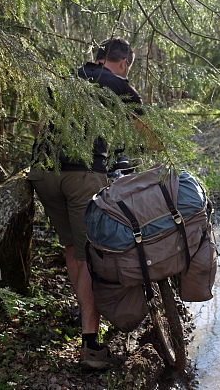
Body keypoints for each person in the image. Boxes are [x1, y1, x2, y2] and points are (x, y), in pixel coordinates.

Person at [28, 37, 143, 370]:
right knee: (91, 255)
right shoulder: (118, 84)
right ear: (123, 63)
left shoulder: (72, 75)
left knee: (73, 249)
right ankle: (91, 346)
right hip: (79, 175)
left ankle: (85, 317)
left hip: (42, 171)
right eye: (127, 68)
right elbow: (148, 133)